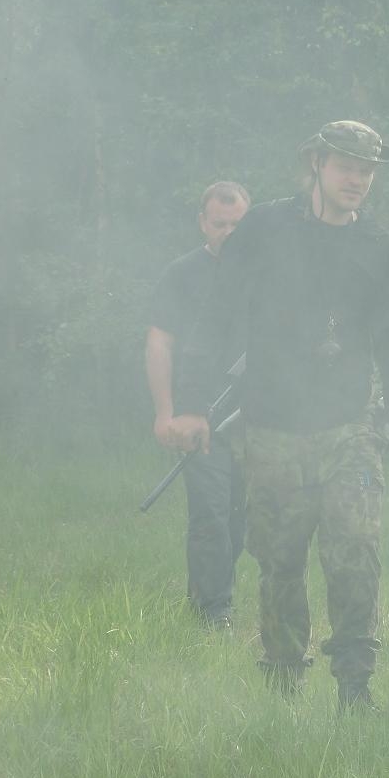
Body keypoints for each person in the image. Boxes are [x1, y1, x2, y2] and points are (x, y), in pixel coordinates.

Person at [175, 121, 389, 705]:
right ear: (316, 163)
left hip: (350, 425)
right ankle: (284, 678)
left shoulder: (377, 246)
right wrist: (191, 405)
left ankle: (355, 686)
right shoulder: (264, 228)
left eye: (367, 171)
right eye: (346, 167)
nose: (357, 179)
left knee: (356, 551)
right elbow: (215, 316)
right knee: (280, 559)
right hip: (272, 426)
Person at [145, 181, 251, 629]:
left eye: (237, 224)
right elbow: (160, 343)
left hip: (257, 416)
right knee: (210, 511)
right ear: (202, 223)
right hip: (200, 414)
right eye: (219, 223)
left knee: (241, 517)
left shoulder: (267, 273)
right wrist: (165, 413)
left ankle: (211, 594)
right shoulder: (182, 274)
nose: (228, 232)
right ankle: (213, 612)